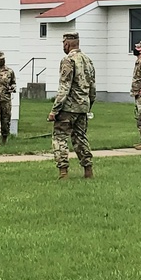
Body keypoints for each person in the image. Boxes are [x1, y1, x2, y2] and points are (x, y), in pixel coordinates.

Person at [48, 32, 96, 178]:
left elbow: (65, 86)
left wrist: (54, 110)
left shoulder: (68, 60)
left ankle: (63, 171)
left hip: (68, 107)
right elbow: (92, 87)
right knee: (80, 137)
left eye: (64, 43)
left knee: (60, 138)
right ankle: (88, 170)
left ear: (67, 44)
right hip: (83, 106)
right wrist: (89, 104)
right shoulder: (88, 60)